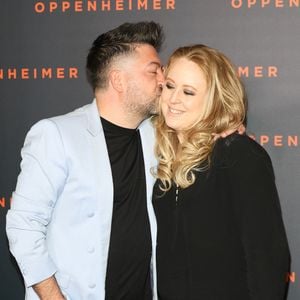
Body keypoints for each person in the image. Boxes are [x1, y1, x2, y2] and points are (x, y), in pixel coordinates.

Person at [6, 21, 165, 300]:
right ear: (118, 80)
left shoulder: (160, 133)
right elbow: (24, 226)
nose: (163, 80)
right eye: (153, 71)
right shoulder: (57, 135)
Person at [152, 44, 290, 299]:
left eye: (189, 92)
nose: (173, 99)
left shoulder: (237, 154)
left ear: (214, 100)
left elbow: (267, 258)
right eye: (169, 86)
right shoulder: (165, 154)